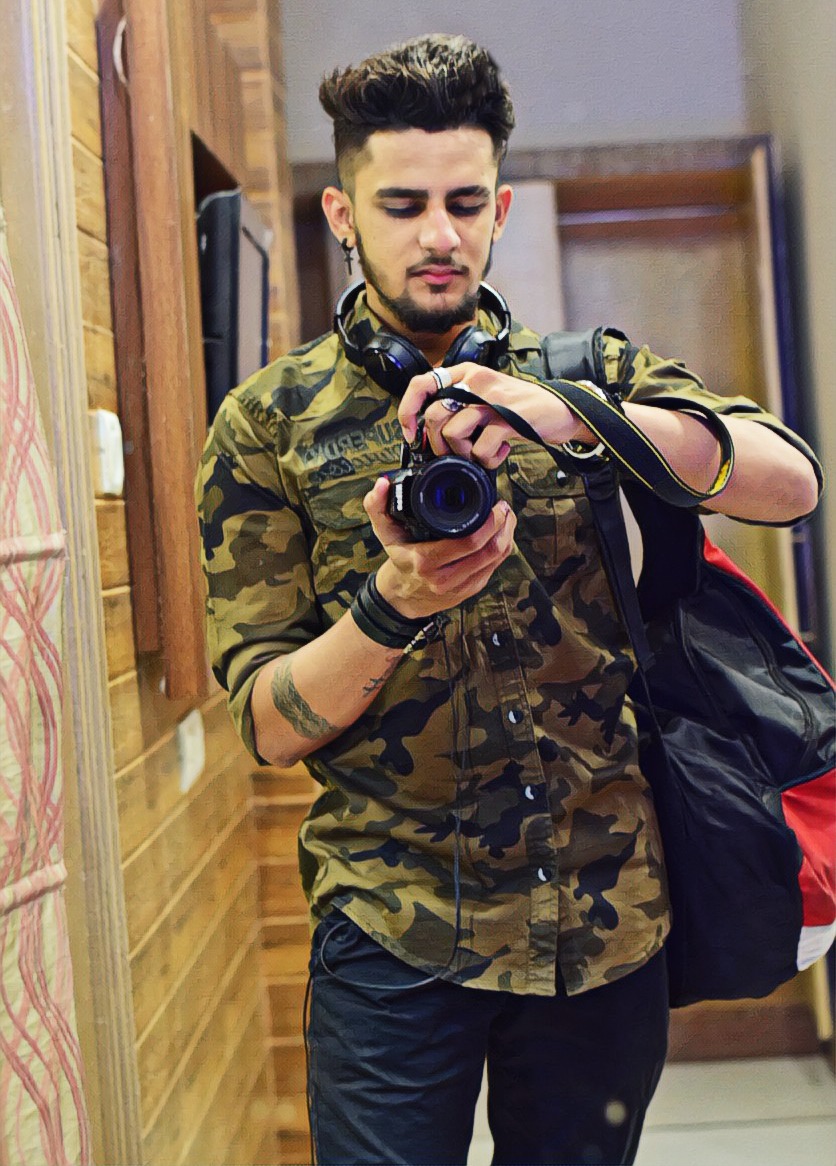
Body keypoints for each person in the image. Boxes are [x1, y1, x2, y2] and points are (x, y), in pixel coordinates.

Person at [195, 34, 822, 1166]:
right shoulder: (267, 425)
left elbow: (791, 483)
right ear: (342, 214)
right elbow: (269, 723)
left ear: (498, 209)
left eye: (464, 201)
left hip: (603, 919)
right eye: (402, 204)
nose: (438, 233)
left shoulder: (588, 374)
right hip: (391, 925)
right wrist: (391, 603)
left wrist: (578, 417)